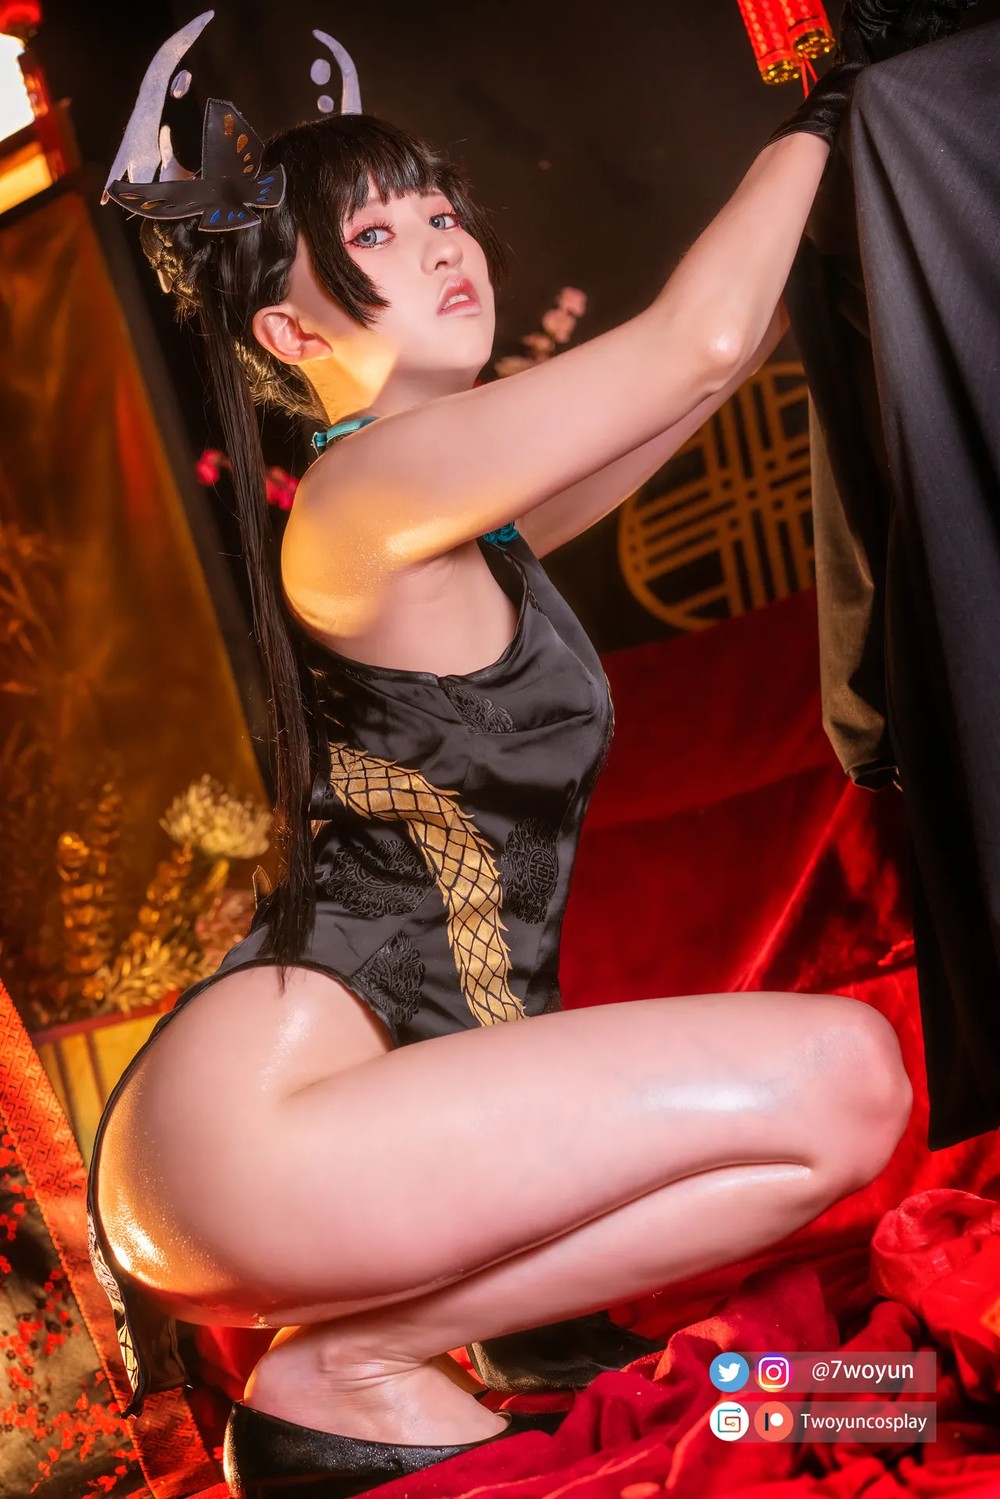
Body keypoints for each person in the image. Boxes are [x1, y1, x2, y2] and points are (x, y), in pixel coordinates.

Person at [88, 11, 913, 1497]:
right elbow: (694, 338)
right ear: (293, 337)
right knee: (848, 1076)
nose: (443, 243)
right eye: (376, 234)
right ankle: (363, 1361)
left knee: (846, 1099)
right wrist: (826, 102)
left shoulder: (459, 513)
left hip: (297, 1124)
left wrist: (858, 127)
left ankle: (371, 1363)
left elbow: (708, 371)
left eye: (439, 210)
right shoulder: (369, 494)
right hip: (248, 1130)